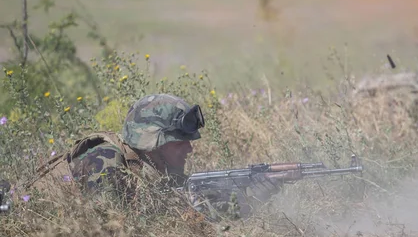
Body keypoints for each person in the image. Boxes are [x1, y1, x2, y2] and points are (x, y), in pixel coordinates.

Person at [4, 93, 280, 219]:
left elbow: (200, 211)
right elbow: (112, 229)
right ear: (152, 142)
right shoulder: (106, 159)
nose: (189, 149)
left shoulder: (152, 167)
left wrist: (256, 193)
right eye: (179, 142)